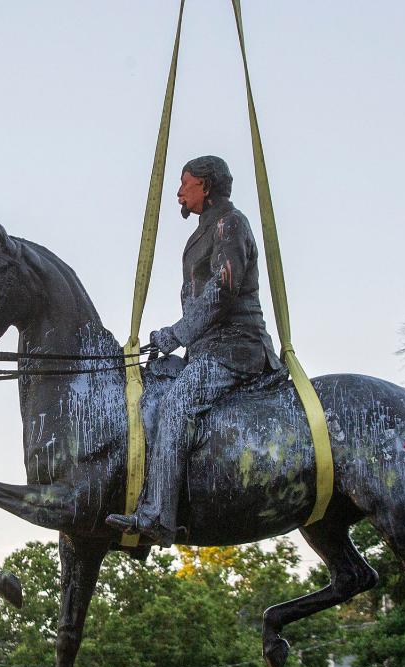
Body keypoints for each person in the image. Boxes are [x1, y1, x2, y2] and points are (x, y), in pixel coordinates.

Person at [106, 155, 283, 546]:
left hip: (236, 348)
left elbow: (222, 290)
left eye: (185, 184)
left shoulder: (230, 223)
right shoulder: (205, 231)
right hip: (206, 351)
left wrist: (176, 333)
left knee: (177, 404)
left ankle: (158, 517)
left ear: (205, 185)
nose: (179, 193)